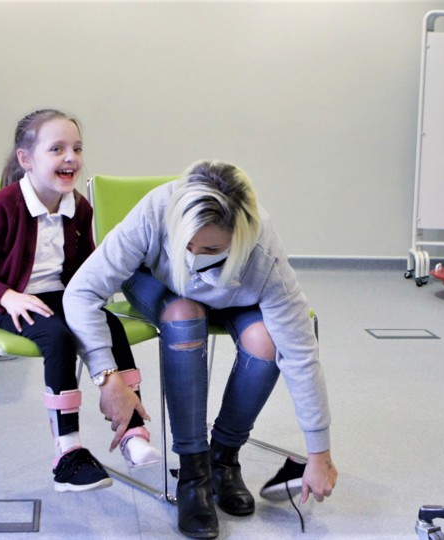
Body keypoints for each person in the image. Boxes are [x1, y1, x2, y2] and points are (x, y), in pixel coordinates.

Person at [63, 160, 337, 537]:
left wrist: (320, 454)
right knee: (183, 315)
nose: (192, 255)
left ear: (238, 238)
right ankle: (193, 472)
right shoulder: (157, 210)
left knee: (266, 341)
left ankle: (223, 460)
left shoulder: (262, 252)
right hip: (156, 284)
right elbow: (80, 292)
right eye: (185, 243)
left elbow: (302, 353)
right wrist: (107, 378)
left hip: (233, 291)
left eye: (208, 247)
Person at [0, 109, 161, 493]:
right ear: (26, 159)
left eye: (76, 148)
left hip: (64, 297)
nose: (70, 157)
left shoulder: (78, 207)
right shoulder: (1, 205)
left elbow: (86, 267)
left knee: (111, 326)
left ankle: (132, 431)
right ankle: (67, 452)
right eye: (57, 149)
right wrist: (6, 295)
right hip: (11, 300)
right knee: (58, 339)